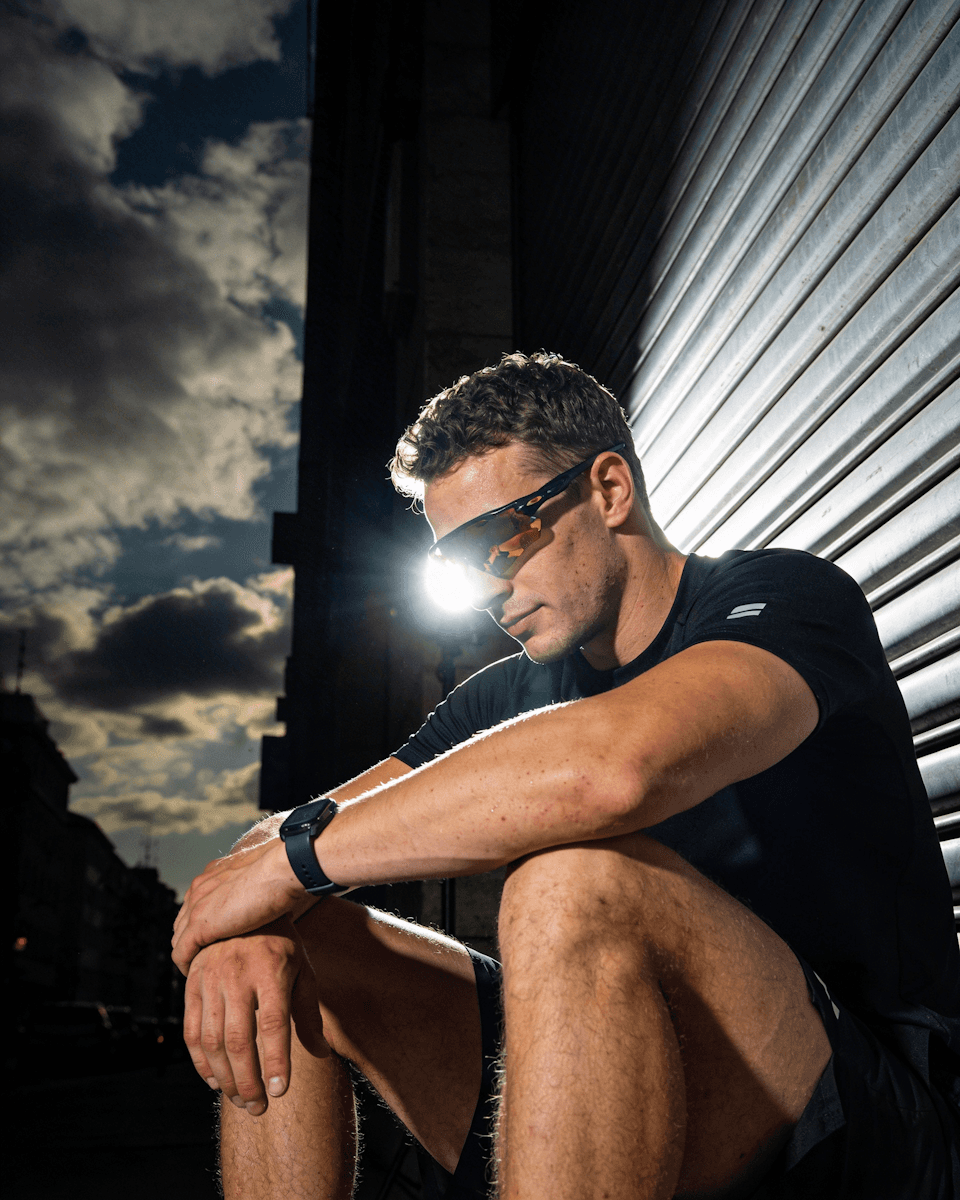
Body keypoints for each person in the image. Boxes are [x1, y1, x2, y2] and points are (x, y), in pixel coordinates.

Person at [173, 352, 960, 1199]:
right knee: (286, 936)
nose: (484, 590)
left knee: (571, 881)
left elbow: (613, 769)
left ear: (611, 490)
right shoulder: (506, 694)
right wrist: (252, 906)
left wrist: (286, 864)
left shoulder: (785, 598)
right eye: (456, 565)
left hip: (870, 1121)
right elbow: (301, 825)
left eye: (498, 541)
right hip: (613, 1085)